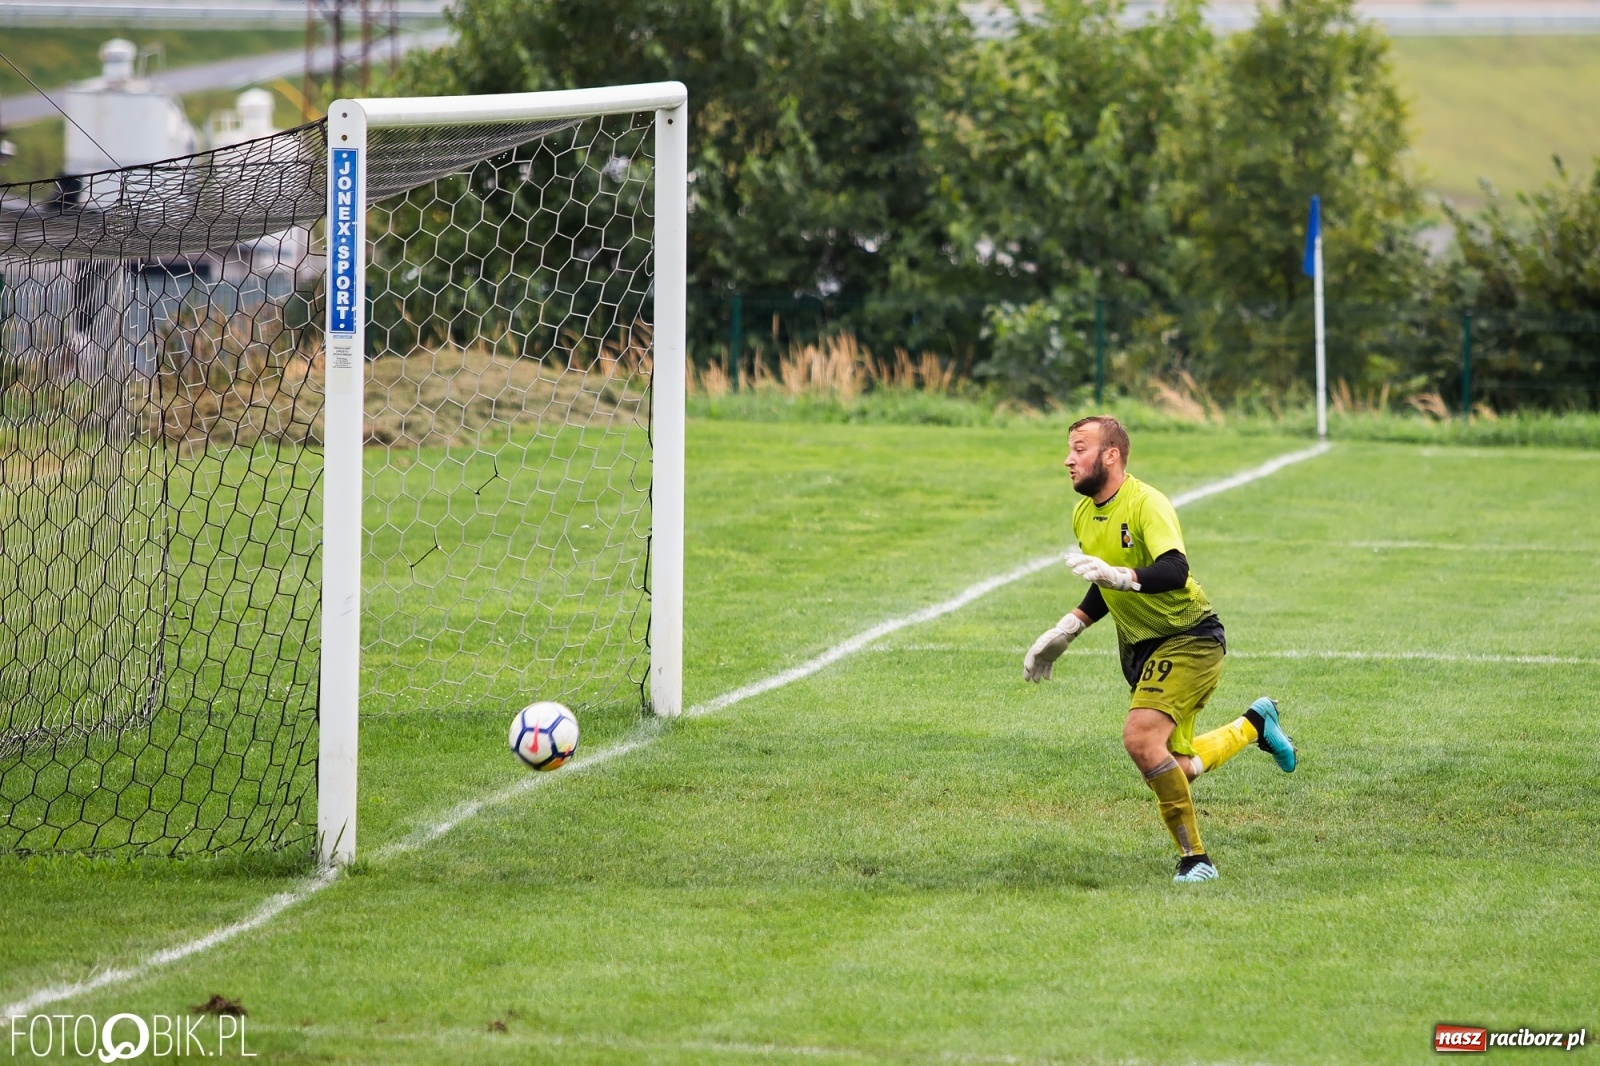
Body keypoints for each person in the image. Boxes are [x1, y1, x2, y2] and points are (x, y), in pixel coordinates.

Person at [1022, 415, 1297, 883]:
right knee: (1174, 767)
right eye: (1068, 449)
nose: (1068, 459)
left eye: (1080, 448)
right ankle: (1254, 725)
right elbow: (1103, 584)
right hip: (1141, 650)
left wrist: (1122, 576)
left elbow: (1174, 569)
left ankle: (1196, 861)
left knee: (1141, 740)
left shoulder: (1147, 503)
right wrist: (1069, 628)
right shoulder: (1084, 514)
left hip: (1190, 637)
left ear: (1111, 455)